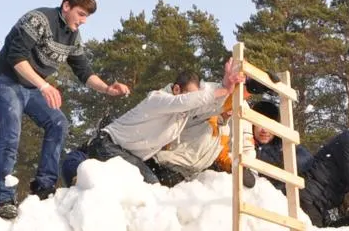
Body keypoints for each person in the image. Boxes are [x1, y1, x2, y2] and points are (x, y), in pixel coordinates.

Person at [0, 0, 131, 221]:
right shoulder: (38, 19)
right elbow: (16, 57)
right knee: (11, 130)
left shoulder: (73, 37)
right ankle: (3, 197)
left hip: (32, 88)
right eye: (81, 14)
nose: (83, 21)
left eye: (87, 17)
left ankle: (44, 187)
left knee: (58, 122)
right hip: (7, 80)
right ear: (66, 6)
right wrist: (44, 85)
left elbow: (84, 72)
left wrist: (107, 88)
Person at [70, 60, 243, 186]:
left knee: (150, 184)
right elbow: (186, 101)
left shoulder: (182, 114)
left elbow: (207, 106)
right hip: (108, 144)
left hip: (129, 155)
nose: (193, 101)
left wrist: (226, 84)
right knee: (150, 185)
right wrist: (223, 90)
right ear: (176, 89)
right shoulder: (159, 99)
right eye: (189, 95)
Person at [248, 97, 313, 188]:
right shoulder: (245, 143)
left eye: (269, 125)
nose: (264, 130)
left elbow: (307, 160)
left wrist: (284, 161)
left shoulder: (284, 144)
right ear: (252, 125)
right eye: (260, 124)